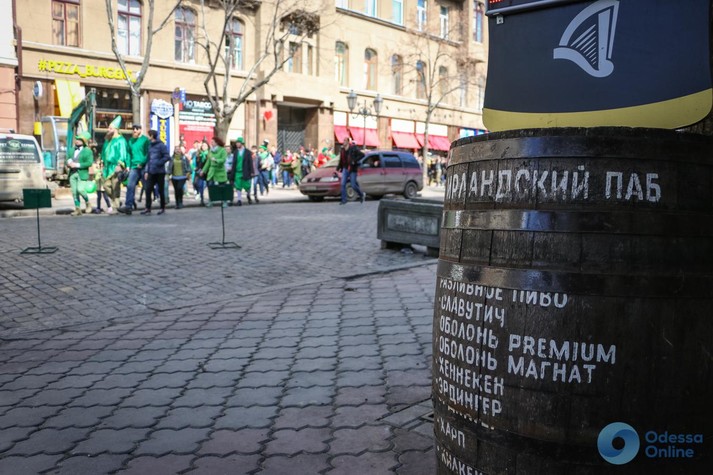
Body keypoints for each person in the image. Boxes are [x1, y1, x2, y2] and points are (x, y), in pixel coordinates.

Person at [118, 124, 149, 215]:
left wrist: (142, 162)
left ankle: (148, 207)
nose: (134, 130)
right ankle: (128, 206)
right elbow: (128, 154)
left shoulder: (145, 140)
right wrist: (128, 165)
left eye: (136, 129)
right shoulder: (131, 141)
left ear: (140, 130)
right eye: (133, 129)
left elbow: (148, 153)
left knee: (147, 187)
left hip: (143, 167)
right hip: (134, 167)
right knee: (130, 186)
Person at [102, 116, 129, 214]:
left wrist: (119, 164)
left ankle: (115, 207)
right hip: (107, 167)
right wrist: (102, 161)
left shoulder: (121, 140)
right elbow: (104, 151)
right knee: (106, 186)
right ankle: (116, 201)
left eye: (110, 128)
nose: (108, 130)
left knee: (115, 187)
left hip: (115, 166)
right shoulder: (108, 140)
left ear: (116, 129)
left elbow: (123, 153)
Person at [141, 129, 171, 215]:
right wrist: (146, 171)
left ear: (152, 136)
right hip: (151, 171)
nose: (148, 137)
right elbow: (148, 159)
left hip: (160, 172)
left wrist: (159, 163)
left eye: (149, 135)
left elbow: (167, 156)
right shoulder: (150, 146)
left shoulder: (161, 145)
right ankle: (148, 208)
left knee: (161, 190)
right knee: (148, 189)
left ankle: (162, 207)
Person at [67, 131, 94, 216]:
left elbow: (89, 163)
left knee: (80, 189)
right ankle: (77, 209)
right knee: (74, 192)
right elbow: (67, 158)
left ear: (84, 141)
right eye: (77, 139)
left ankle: (88, 202)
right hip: (72, 173)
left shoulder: (88, 151)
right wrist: (69, 162)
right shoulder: (72, 149)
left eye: (79, 139)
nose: (77, 141)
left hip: (82, 173)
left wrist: (77, 165)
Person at [201, 136, 229, 207]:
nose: (211, 143)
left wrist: (216, 160)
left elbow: (223, 159)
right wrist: (203, 171)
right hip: (212, 172)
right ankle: (211, 201)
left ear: (217, 143)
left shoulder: (222, 150)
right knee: (211, 187)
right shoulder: (210, 151)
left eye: (212, 142)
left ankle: (224, 201)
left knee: (222, 187)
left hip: (220, 171)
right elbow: (208, 162)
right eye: (211, 142)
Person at [337, 137, 365, 205]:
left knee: (353, 185)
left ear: (348, 142)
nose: (343, 142)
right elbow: (341, 160)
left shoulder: (353, 148)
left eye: (345, 140)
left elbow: (362, 155)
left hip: (352, 169)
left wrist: (354, 161)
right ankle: (344, 200)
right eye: (343, 140)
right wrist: (338, 167)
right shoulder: (342, 150)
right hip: (345, 168)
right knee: (343, 184)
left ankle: (361, 194)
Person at [228, 137, 254, 205]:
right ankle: (239, 200)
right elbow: (234, 163)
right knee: (238, 186)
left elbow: (250, 162)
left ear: (242, 143)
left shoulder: (247, 152)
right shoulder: (235, 152)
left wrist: (252, 171)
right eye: (236, 143)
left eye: (238, 143)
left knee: (247, 186)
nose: (237, 144)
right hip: (237, 172)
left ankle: (248, 195)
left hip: (245, 171)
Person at [169, 145, 191, 209]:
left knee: (179, 188)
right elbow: (169, 167)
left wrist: (188, 172)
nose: (177, 150)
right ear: (174, 151)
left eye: (179, 149)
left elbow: (188, 166)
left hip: (182, 176)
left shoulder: (184, 158)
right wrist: (168, 174)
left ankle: (180, 202)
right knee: (176, 190)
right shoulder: (172, 158)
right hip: (174, 177)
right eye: (176, 149)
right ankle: (177, 203)